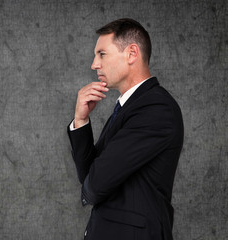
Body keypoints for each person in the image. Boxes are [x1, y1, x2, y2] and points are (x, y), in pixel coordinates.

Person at [67, 18, 184, 240]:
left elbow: (95, 186)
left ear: (131, 53)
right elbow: (89, 177)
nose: (94, 64)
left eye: (102, 54)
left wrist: (91, 185)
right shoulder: (128, 106)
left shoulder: (156, 108)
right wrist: (80, 120)